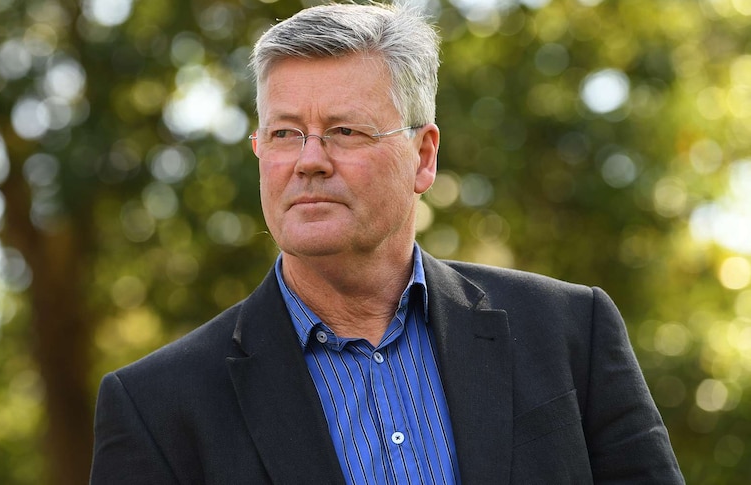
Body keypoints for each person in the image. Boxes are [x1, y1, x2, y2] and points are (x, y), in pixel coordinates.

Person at [90, 3, 684, 484]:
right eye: (284, 133)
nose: (309, 161)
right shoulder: (156, 407)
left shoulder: (570, 332)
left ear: (423, 157)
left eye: (344, 131)